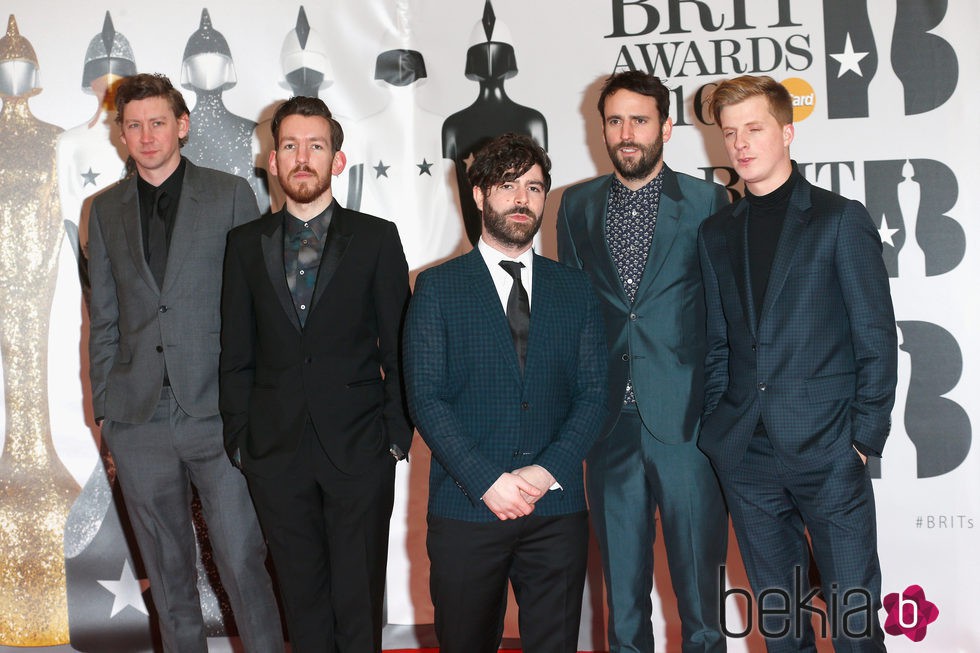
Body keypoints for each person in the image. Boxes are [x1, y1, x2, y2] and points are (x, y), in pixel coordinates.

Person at [698, 75, 896, 651]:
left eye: (754, 128)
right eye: (730, 132)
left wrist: (862, 439)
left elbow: (876, 338)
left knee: (854, 623)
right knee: (781, 628)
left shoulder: (839, 220)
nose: (740, 143)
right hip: (746, 456)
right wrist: (719, 429)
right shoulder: (716, 232)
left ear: (786, 131)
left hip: (830, 451)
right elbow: (718, 344)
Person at [87, 73, 283, 652]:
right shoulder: (103, 210)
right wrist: (107, 412)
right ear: (121, 134)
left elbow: (260, 305)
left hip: (217, 413)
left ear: (182, 125)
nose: (147, 136)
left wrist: (256, 403)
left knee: (244, 559)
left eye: (157, 122)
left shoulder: (228, 194)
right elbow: (103, 318)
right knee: (169, 576)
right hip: (138, 420)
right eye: (134, 125)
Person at [219, 96, 412, 653]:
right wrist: (241, 443)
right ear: (272, 161)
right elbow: (236, 354)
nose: (303, 158)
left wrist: (396, 439)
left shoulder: (377, 239)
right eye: (290, 146)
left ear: (338, 159)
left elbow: (400, 346)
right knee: (301, 609)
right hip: (274, 454)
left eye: (316, 146)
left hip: (361, 451)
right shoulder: (243, 246)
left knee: (357, 608)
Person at [403, 133, 607, 653]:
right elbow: (425, 398)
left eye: (535, 188)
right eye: (508, 185)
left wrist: (544, 473)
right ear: (478, 194)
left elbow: (594, 394)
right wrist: (487, 481)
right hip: (468, 508)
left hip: (555, 513)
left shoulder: (575, 289)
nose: (522, 199)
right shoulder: (437, 288)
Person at [557, 70, 730, 653]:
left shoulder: (709, 201)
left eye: (639, 119)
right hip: (608, 428)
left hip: (687, 427)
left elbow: (724, 315)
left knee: (701, 600)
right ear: (601, 129)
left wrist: (716, 409)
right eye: (614, 121)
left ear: (666, 127)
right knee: (622, 600)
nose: (626, 132)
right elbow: (575, 316)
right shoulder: (575, 205)